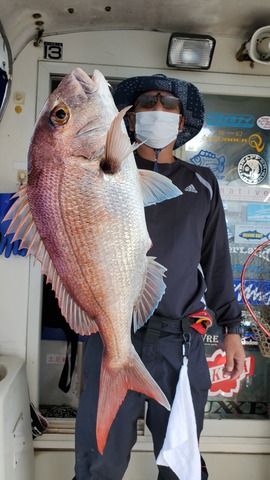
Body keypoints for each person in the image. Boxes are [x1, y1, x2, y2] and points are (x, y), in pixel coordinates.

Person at [74, 74, 246, 480]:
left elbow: (216, 260)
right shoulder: (102, 176)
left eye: (169, 105)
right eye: (147, 102)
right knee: (99, 462)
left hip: (179, 343)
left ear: (182, 122)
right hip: (111, 336)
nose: (157, 110)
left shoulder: (202, 183)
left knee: (180, 464)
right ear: (129, 120)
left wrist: (232, 331)